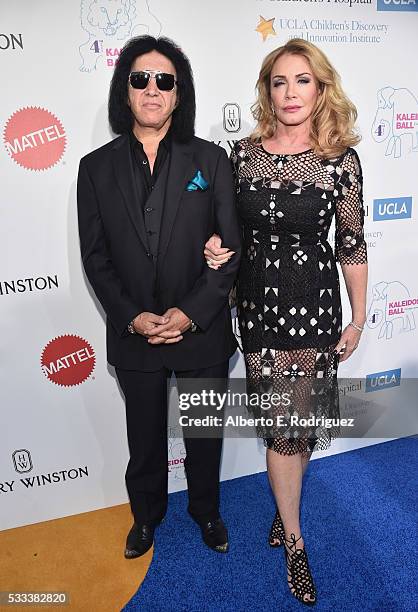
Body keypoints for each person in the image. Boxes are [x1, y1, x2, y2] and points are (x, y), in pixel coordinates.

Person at [204, 38, 368, 605]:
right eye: (279, 81)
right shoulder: (242, 155)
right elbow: (222, 228)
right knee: (282, 426)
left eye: (302, 80)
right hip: (257, 310)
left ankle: (287, 521)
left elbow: (350, 242)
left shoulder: (339, 159)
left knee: (294, 426)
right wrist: (213, 249)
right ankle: (295, 536)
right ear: (267, 92)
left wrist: (360, 315)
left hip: (314, 309)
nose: (290, 92)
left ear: (320, 89)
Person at [77, 36, 241, 559]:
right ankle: (145, 517)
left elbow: (230, 249)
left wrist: (190, 314)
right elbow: (95, 258)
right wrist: (133, 318)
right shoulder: (94, 167)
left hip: (202, 330)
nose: (152, 89)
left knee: (203, 435)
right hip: (136, 333)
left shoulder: (212, 160)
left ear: (179, 92)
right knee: (143, 437)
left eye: (164, 80)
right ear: (124, 90)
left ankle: (206, 511)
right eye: (140, 79)